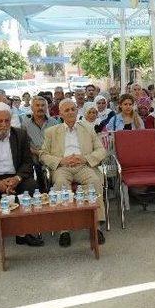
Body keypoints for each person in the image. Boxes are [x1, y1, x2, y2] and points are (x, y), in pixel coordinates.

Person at [0, 102, 44, 247]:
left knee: (31, 188)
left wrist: (17, 178)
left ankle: (24, 232)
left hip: (16, 176)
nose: (4, 124)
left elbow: (27, 163)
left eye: (7, 120)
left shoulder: (20, 135)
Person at [40, 99, 107, 247]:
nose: (70, 112)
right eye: (67, 110)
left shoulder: (88, 128)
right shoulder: (51, 132)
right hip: (62, 167)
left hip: (84, 165)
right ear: (60, 113)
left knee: (94, 182)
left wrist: (85, 159)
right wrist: (61, 161)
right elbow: (43, 154)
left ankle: (96, 227)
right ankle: (64, 230)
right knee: (60, 185)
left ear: (77, 111)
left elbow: (101, 150)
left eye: (73, 109)